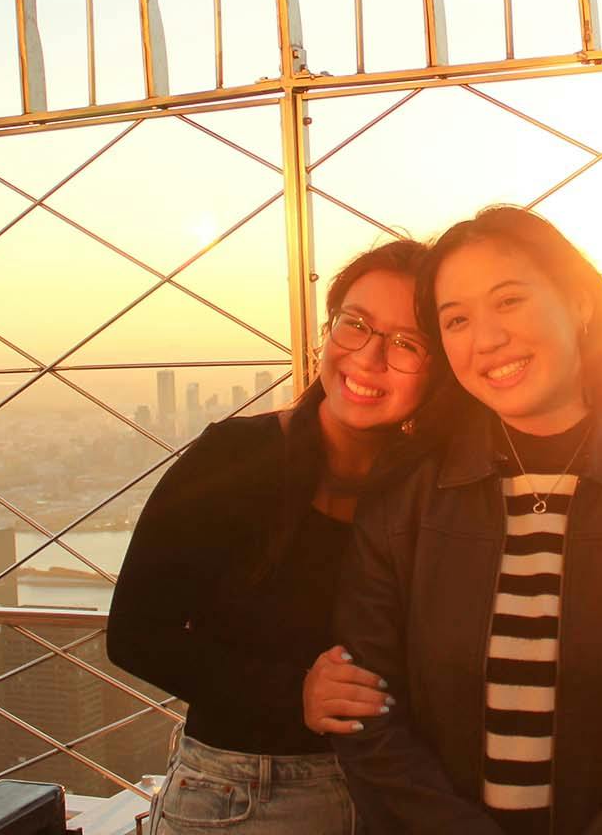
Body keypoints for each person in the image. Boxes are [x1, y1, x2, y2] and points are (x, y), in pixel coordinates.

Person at [325, 205, 602, 834]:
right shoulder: (408, 492)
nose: (486, 339)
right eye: (456, 320)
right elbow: (365, 705)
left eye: (509, 301)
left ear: (579, 302)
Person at [107, 240, 439, 834]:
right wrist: (295, 693)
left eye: (407, 342)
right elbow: (135, 636)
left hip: (397, 793)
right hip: (244, 796)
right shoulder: (234, 457)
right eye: (356, 324)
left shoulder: (435, 484)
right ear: (326, 333)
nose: (369, 357)